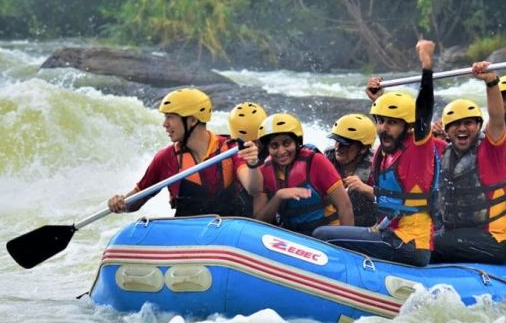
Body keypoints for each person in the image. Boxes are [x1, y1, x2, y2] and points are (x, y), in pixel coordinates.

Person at [313, 40, 439, 267]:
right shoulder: (387, 151)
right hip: (391, 233)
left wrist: (426, 65)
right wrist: (380, 98)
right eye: (380, 121)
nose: (383, 128)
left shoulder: (418, 146)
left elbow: (423, 110)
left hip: (408, 243)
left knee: (323, 235)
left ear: (408, 126)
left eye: (392, 123)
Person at [108, 88, 263, 217]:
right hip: (190, 237)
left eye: (170, 117)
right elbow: (137, 199)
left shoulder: (230, 148)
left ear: (192, 120)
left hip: (231, 232)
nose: (165, 124)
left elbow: (253, 188)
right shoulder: (166, 158)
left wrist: (253, 163)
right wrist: (121, 203)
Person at [432, 62, 506, 265]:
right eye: (456, 125)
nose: (462, 128)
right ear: (447, 131)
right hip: (458, 237)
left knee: (429, 243)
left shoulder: (492, 150)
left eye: (468, 123)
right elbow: (407, 135)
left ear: (478, 126)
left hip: (493, 242)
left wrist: (491, 82)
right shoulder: (442, 151)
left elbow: (496, 118)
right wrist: (379, 99)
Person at [255, 112, 354, 235]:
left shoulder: (316, 161)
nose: (281, 151)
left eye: (286, 143)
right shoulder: (263, 171)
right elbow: (258, 222)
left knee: (321, 232)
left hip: (326, 235)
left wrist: (344, 245)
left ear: (296, 142)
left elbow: (345, 206)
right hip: (294, 237)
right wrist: (278, 197)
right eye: (274, 145)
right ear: (268, 149)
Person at [324, 113, 378, 227]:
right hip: (331, 222)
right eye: (336, 141)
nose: (338, 148)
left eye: (345, 144)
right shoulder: (327, 158)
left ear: (363, 148)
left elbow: (392, 202)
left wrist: (367, 189)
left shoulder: (377, 167)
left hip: (363, 227)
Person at [227, 101, 268, 219]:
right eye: (249, 143)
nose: (254, 146)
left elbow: (256, 191)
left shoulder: (274, 151)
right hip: (239, 215)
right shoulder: (229, 151)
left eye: (257, 141)